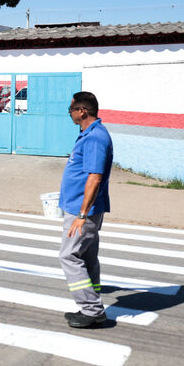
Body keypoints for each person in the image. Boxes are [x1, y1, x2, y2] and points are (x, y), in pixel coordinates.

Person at [58, 91, 113, 328]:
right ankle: (93, 303)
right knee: (87, 256)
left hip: (84, 212)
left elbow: (94, 178)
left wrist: (81, 215)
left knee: (69, 256)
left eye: (71, 110)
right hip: (80, 208)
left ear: (82, 111)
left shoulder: (95, 138)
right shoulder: (89, 134)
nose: (69, 114)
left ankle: (91, 309)